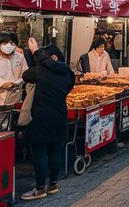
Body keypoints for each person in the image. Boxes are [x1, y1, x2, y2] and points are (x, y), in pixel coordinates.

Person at [20, 45, 75, 201]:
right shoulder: (68, 73)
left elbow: (25, 75)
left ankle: (39, 189)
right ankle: (52, 185)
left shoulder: (40, 71)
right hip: (60, 116)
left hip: (40, 117)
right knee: (55, 151)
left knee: (40, 154)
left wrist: (34, 54)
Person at [0, 31, 28, 107]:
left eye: (12, 43)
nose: (9, 46)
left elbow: (26, 72)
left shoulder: (20, 57)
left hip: (16, 99)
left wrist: (18, 82)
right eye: (5, 43)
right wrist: (6, 84)